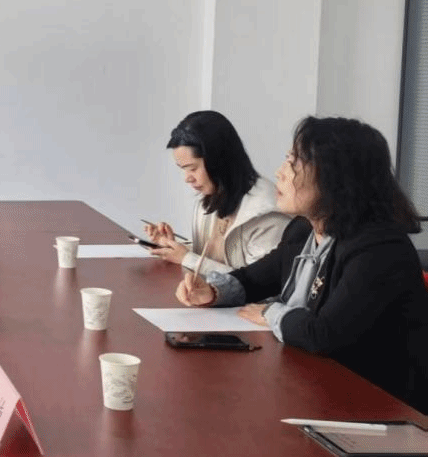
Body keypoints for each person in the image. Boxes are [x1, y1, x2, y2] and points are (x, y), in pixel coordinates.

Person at [176, 116, 428, 410]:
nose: (280, 173)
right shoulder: (305, 230)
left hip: (380, 408)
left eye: (294, 163)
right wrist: (213, 292)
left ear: (336, 177)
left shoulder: (378, 249)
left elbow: (324, 334)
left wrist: (271, 312)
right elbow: (254, 279)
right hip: (317, 388)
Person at [144, 110, 290, 273]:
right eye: (183, 169)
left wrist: (186, 258)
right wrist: (173, 247)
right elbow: (213, 258)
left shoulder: (267, 215)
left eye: (192, 168)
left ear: (219, 161)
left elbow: (259, 283)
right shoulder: (211, 197)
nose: (187, 178)